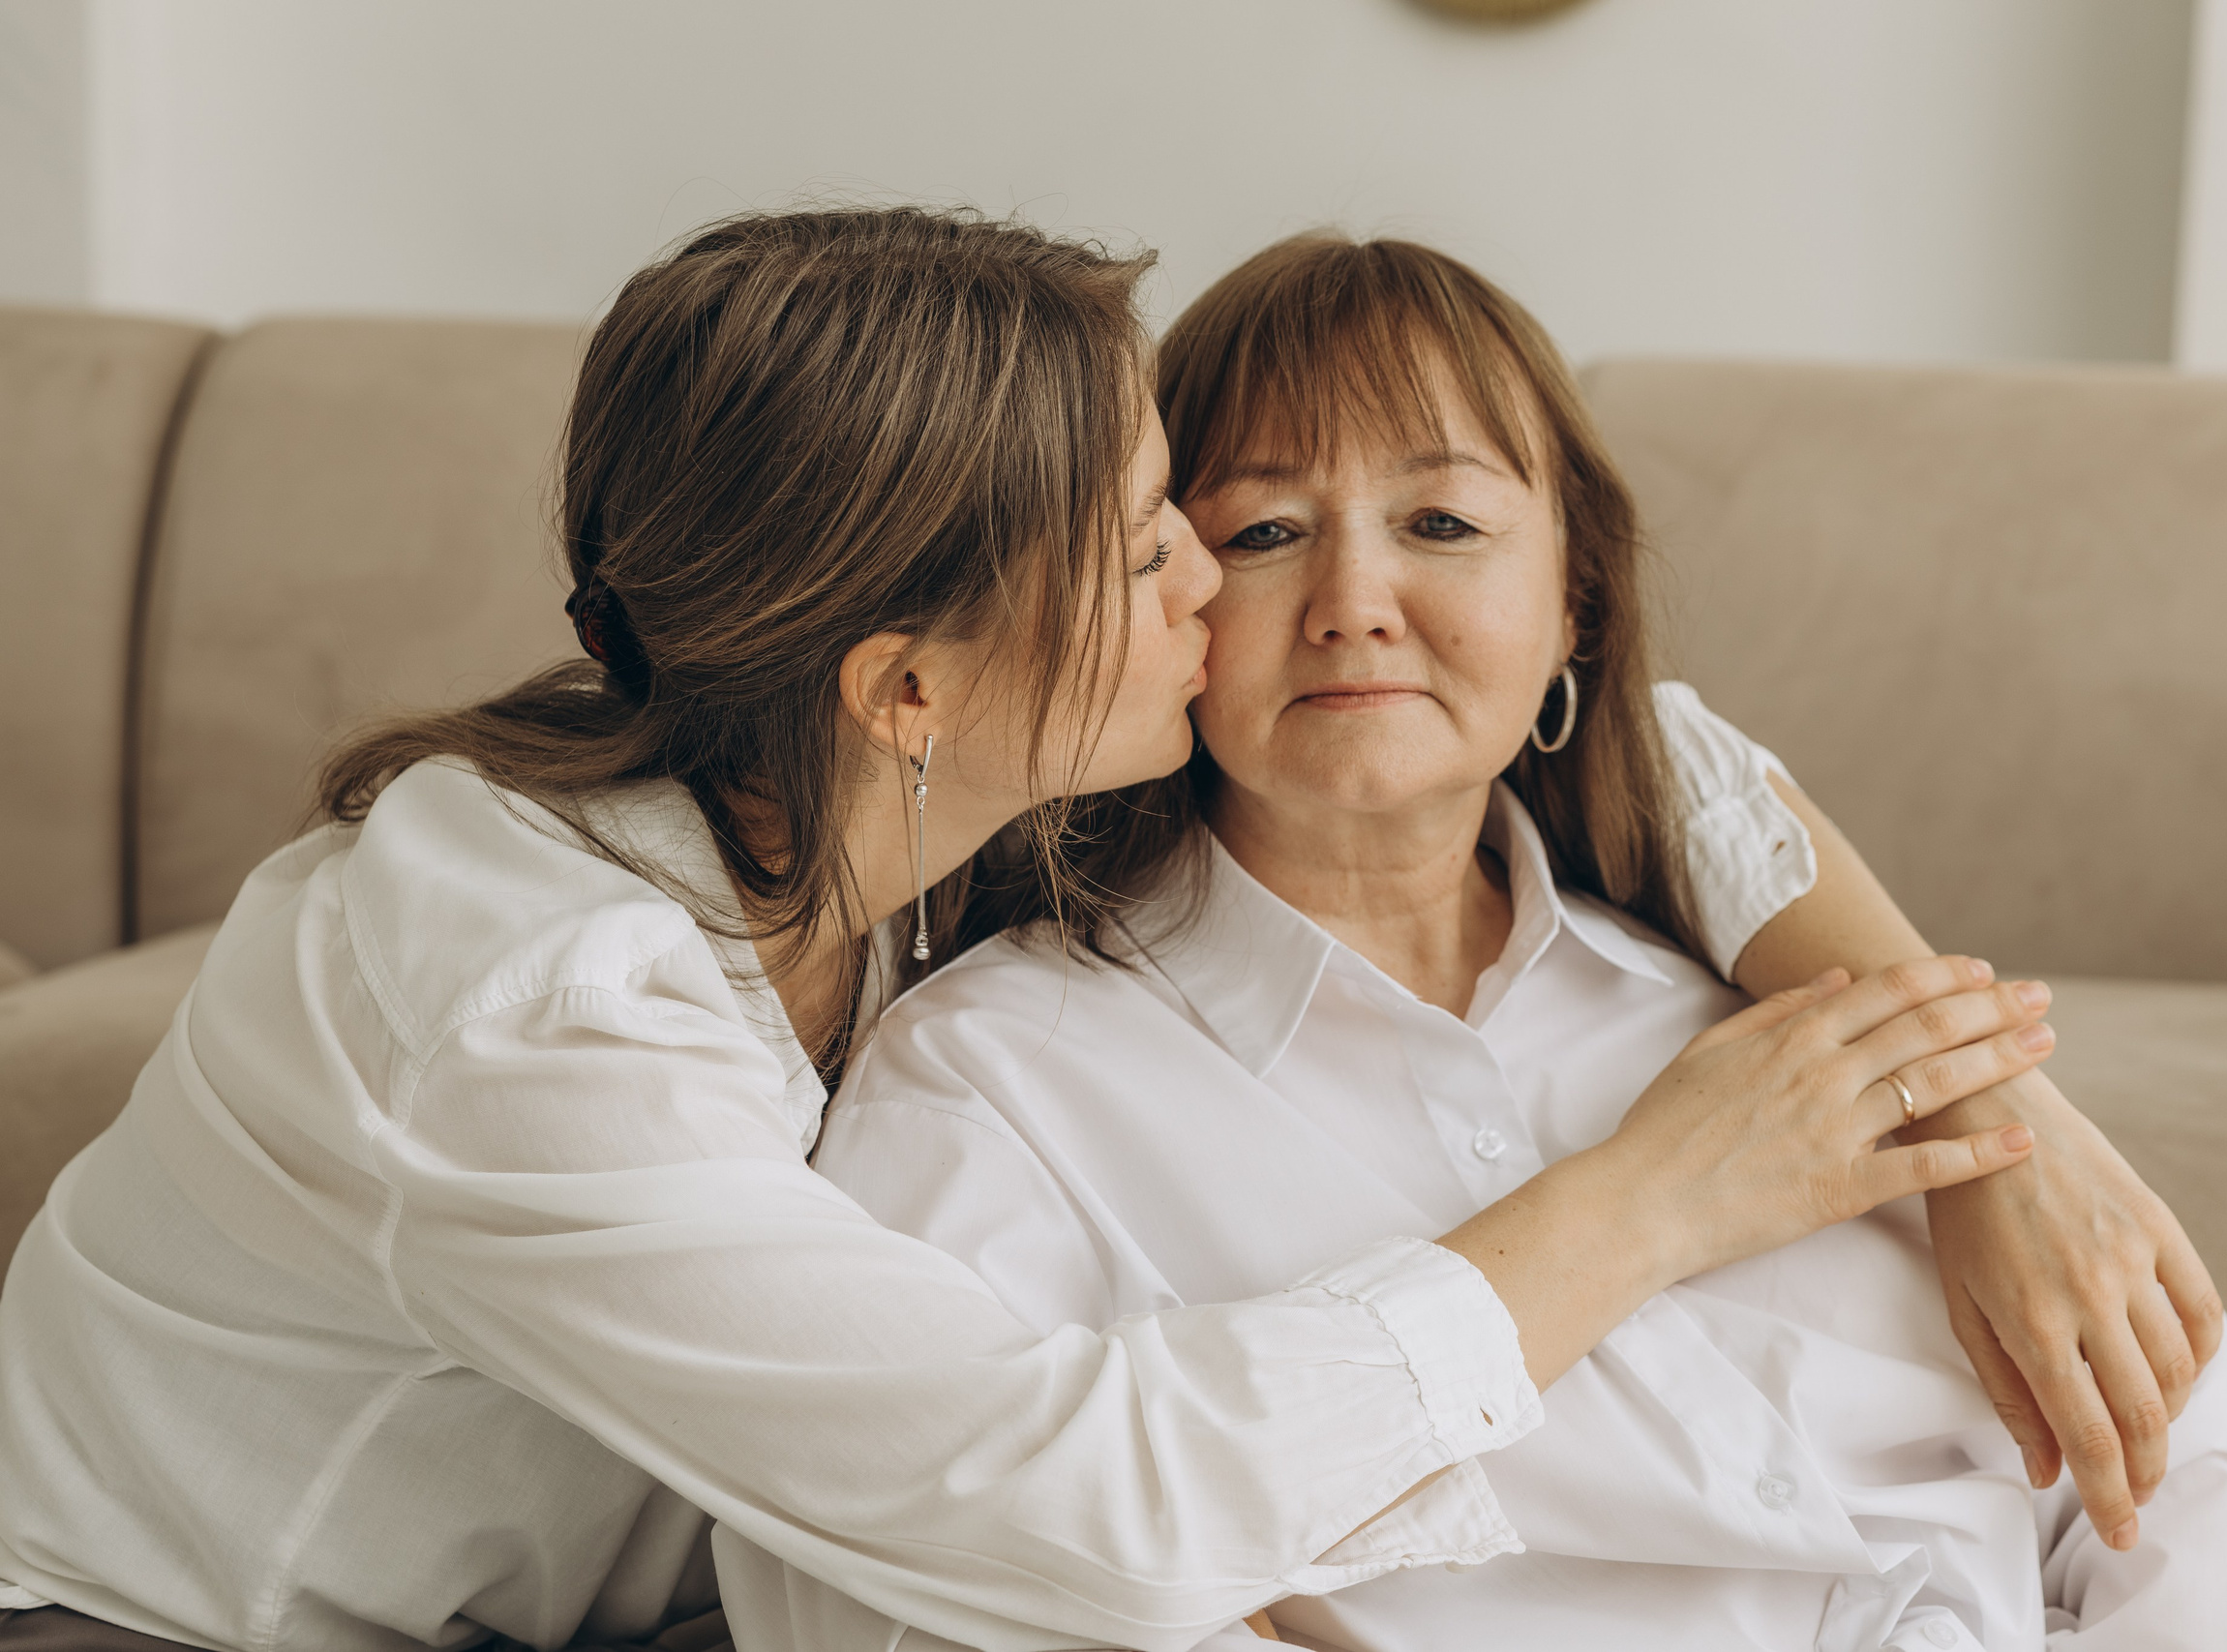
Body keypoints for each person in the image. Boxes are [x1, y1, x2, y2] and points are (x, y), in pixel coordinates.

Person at [0, 209, 2045, 1652]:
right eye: (1162, 535)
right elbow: (1075, 1497)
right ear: (908, 682)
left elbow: (1652, 748)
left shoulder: (885, 790)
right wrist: (1645, 1201)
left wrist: (2014, 1151)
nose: (1213, 591)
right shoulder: (534, 1020)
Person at [793, 236, 2227, 1648]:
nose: (1355, 597)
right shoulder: (998, 1086)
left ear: (1576, 605)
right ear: (1165, 606)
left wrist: (2005, 1125)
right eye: (1265, 530)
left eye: (1441, 520)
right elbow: (921, 1587)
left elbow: (2225, 1499)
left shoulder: (1791, 1017)